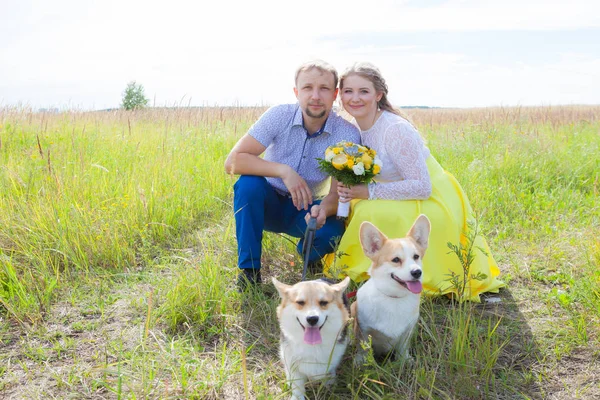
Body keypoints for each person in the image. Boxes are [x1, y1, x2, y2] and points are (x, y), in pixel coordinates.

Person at [325, 62, 504, 301]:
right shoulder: (355, 126)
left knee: (369, 209)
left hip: (430, 195)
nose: (355, 98)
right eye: (348, 91)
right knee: (360, 206)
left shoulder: (395, 129)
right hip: (397, 189)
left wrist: (368, 192)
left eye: (364, 91)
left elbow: (422, 185)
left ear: (378, 94)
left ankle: (401, 273)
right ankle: (369, 271)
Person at [225, 60, 361, 289]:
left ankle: (307, 253)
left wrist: (323, 210)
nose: (315, 96)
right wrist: (282, 170)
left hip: (306, 208)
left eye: (324, 88)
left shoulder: (347, 133)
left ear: (335, 94)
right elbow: (232, 162)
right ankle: (249, 273)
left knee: (333, 230)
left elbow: (337, 194)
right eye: (308, 88)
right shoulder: (279, 115)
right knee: (248, 185)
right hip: (266, 202)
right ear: (297, 92)